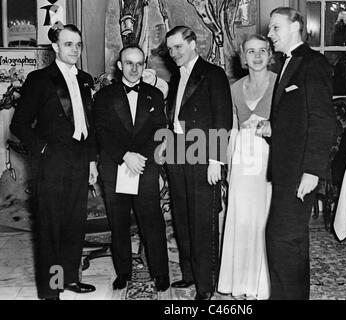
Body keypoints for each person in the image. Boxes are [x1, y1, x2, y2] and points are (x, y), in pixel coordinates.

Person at [10, 23, 98, 300]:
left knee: (74, 223)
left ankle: (70, 278)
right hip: (52, 162)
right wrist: (43, 149)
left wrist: (92, 161)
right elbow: (19, 125)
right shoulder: (39, 79)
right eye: (69, 44)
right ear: (56, 47)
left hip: (80, 160)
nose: (75, 49)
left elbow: (89, 124)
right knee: (51, 227)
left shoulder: (85, 79)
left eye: (79, 44)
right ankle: (51, 289)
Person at [257, 7, 336, 299]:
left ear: (295, 27)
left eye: (276, 28)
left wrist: (313, 170)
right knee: (289, 242)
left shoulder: (312, 63)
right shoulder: (289, 64)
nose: (269, 34)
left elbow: (323, 120)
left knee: (282, 241)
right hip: (286, 169)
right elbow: (296, 117)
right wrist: (272, 126)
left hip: (299, 171)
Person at [94, 44, 170, 292]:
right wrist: (125, 155)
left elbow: (160, 132)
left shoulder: (155, 95)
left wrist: (141, 158)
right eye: (129, 63)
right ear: (119, 65)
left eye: (139, 63)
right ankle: (123, 272)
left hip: (145, 166)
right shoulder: (104, 96)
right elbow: (101, 132)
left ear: (144, 65)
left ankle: (160, 273)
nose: (135, 68)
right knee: (119, 224)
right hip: (115, 166)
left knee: (152, 221)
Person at [164, 26, 233, 300]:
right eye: (170, 49)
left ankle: (205, 285)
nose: (173, 53)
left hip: (205, 156)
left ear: (193, 44)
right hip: (178, 154)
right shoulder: (175, 76)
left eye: (178, 47)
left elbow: (222, 119)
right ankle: (189, 274)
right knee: (181, 217)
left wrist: (216, 160)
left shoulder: (212, 74)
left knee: (203, 221)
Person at [217, 34, 275, 300]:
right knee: (240, 217)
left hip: (268, 159)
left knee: (263, 218)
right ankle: (239, 283)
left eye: (262, 50)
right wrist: (227, 165)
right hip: (242, 159)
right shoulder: (234, 88)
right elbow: (233, 129)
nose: (257, 56)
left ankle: (260, 284)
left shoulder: (280, 83)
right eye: (251, 51)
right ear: (243, 56)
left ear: (270, 53)